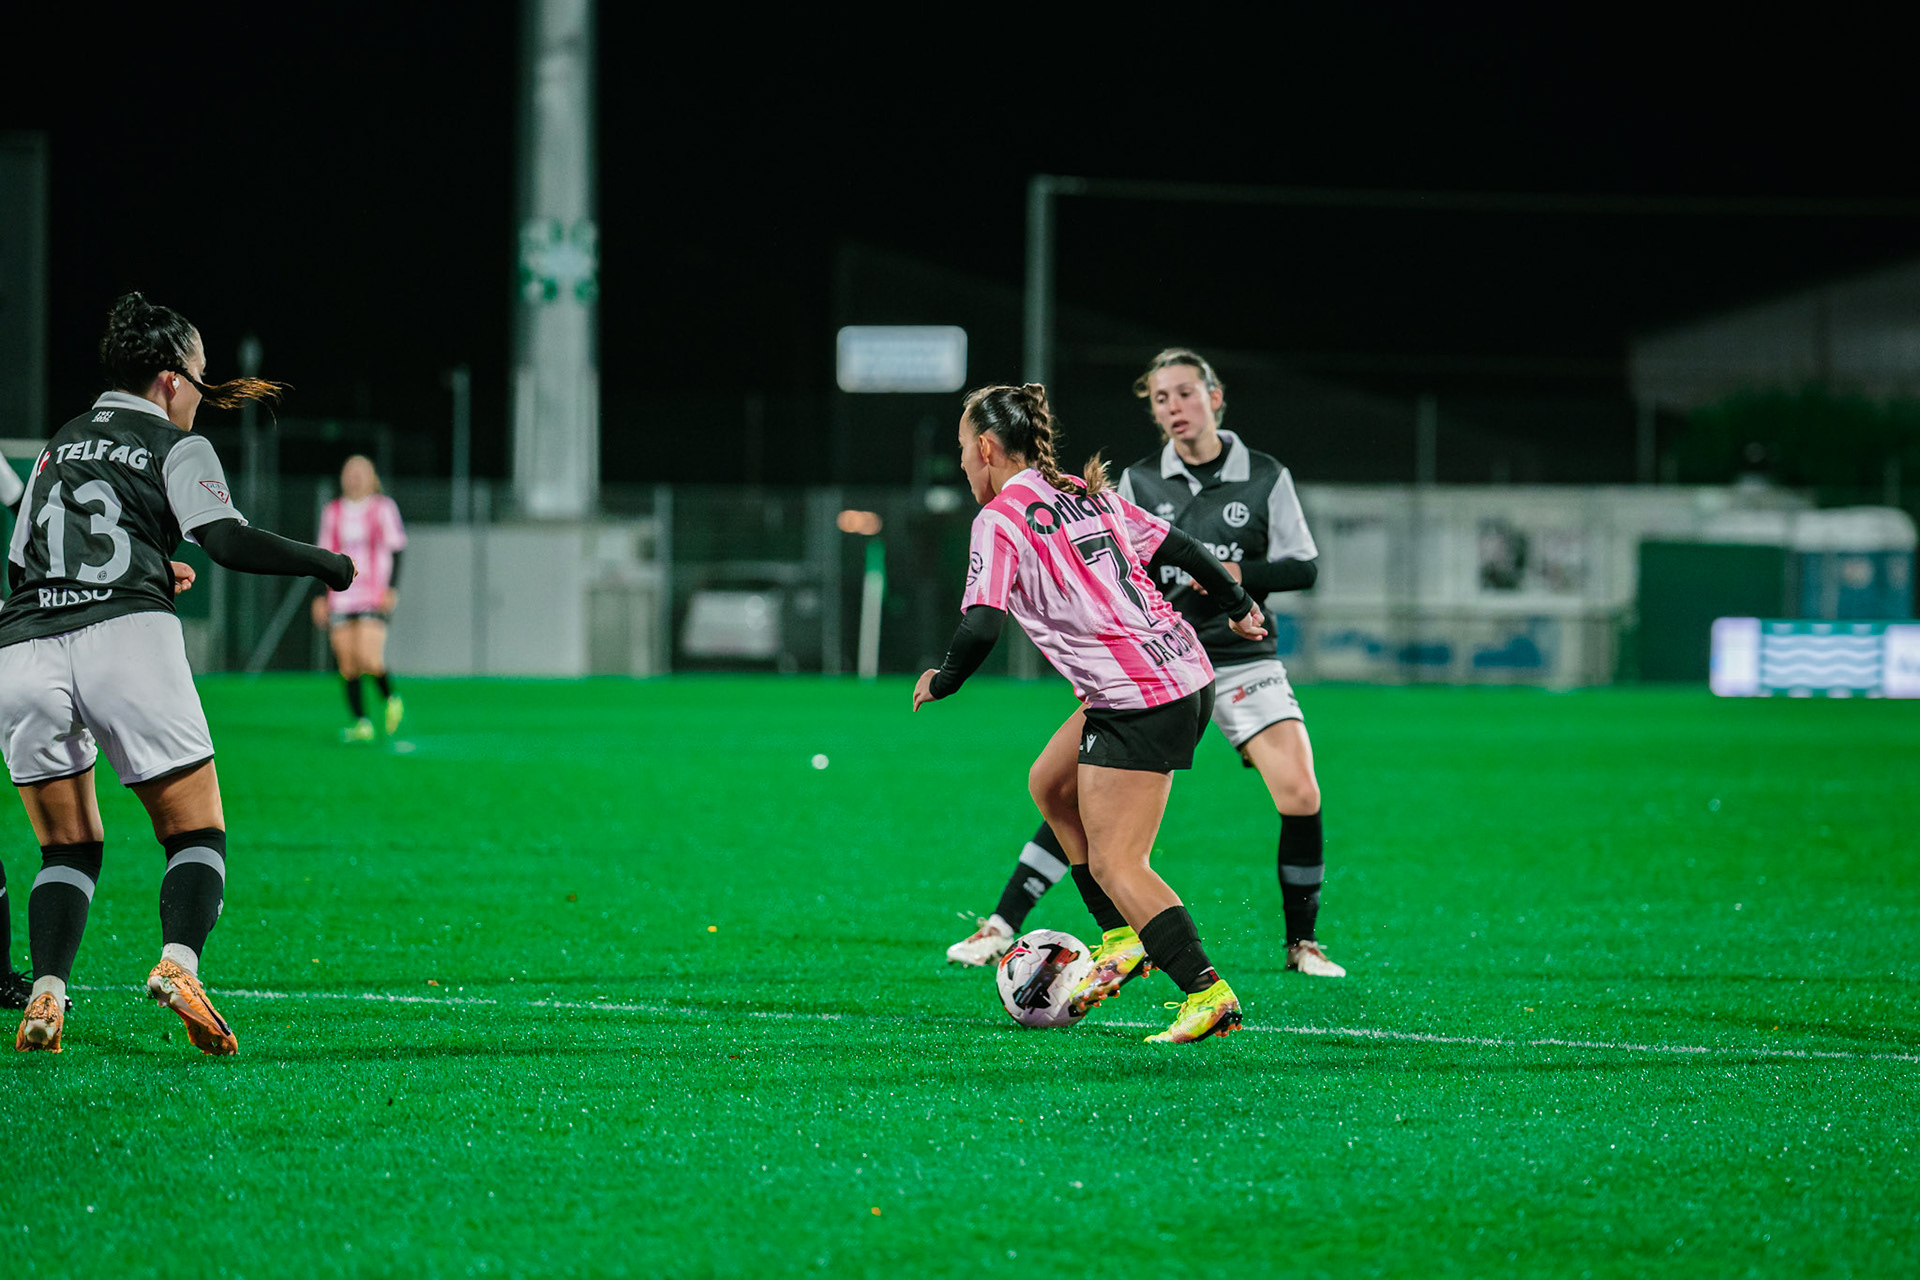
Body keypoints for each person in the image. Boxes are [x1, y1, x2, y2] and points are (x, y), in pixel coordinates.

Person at [2, 292, 355, 1054]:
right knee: (196, 830)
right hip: (125, 640)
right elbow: (226, 541)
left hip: (23, 648)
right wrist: (324, 564)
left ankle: (47, 991)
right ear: (168, 379)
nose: (202, 391)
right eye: (198, 376)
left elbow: (22, 563)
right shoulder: (172, 443)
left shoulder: (58, 444)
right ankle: (178, 964)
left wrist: (150, 567)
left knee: (67, 848)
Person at [947, 349, 1344, 977]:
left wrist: (1238, 588)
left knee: (1277, 797)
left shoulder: (1265, 476)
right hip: (1156, 655)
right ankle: (1023, 923)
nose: (1173, 407)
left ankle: (1268, 957)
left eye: (1184, 394)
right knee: (1058, 783)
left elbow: (1302, 565)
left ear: (1215, 397)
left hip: (1219, 659)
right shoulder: (1127, 482)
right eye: (1161, 399)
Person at [914, 383, 1267, 1044]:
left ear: (986, 448)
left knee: (1119, 862)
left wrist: (945, 679)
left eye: (964, 448)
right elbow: (1185, 550)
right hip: (1175, 672)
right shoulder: (1081, 489)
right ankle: (1121, 938)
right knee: (1049, 785)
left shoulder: (999, 519)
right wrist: (1239, 605)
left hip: (1140, 696)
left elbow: (982, 623)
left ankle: (1206, 991)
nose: (962, 463)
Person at [311, 455, 407, 741]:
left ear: (372, 477)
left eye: (361, 472)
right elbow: (323, 555)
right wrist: (320, 596)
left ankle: (391, 699)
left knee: (368, 655)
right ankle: (361, 723)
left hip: (372, 593)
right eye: (349, 471)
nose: (354, 477)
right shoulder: (333, 511)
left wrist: (391, 588)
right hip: (341, 595)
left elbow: (398, 548)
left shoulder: (383, 508)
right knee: (347, 661)